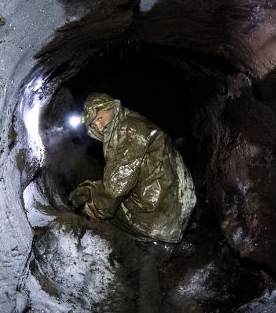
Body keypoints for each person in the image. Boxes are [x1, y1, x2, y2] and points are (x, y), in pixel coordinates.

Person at [68, 93, 196, 243]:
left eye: (100, 118)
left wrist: (89, 206)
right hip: (175, 203)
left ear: (112, 108)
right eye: (94, 124)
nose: (100, 127)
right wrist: (91, 189)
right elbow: (123, 176)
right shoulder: (132, 122)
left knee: (105, 213)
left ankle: (156, 245)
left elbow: (116, 187)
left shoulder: (128, 131)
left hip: (160, 215)